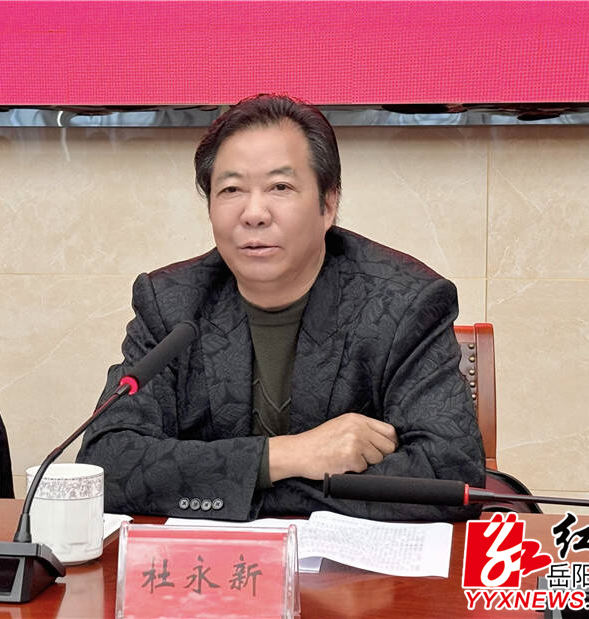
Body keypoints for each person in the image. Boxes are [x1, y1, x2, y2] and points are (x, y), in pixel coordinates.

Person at [77, 94, 485, 521]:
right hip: (208, 563)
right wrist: (286, 456)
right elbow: (107, 465)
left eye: (280, 187)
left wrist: (234, 485)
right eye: (231, 190)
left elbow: (450, 473)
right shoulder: (170, 302)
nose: (254, 213)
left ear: (328, 204)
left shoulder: (404, 303)